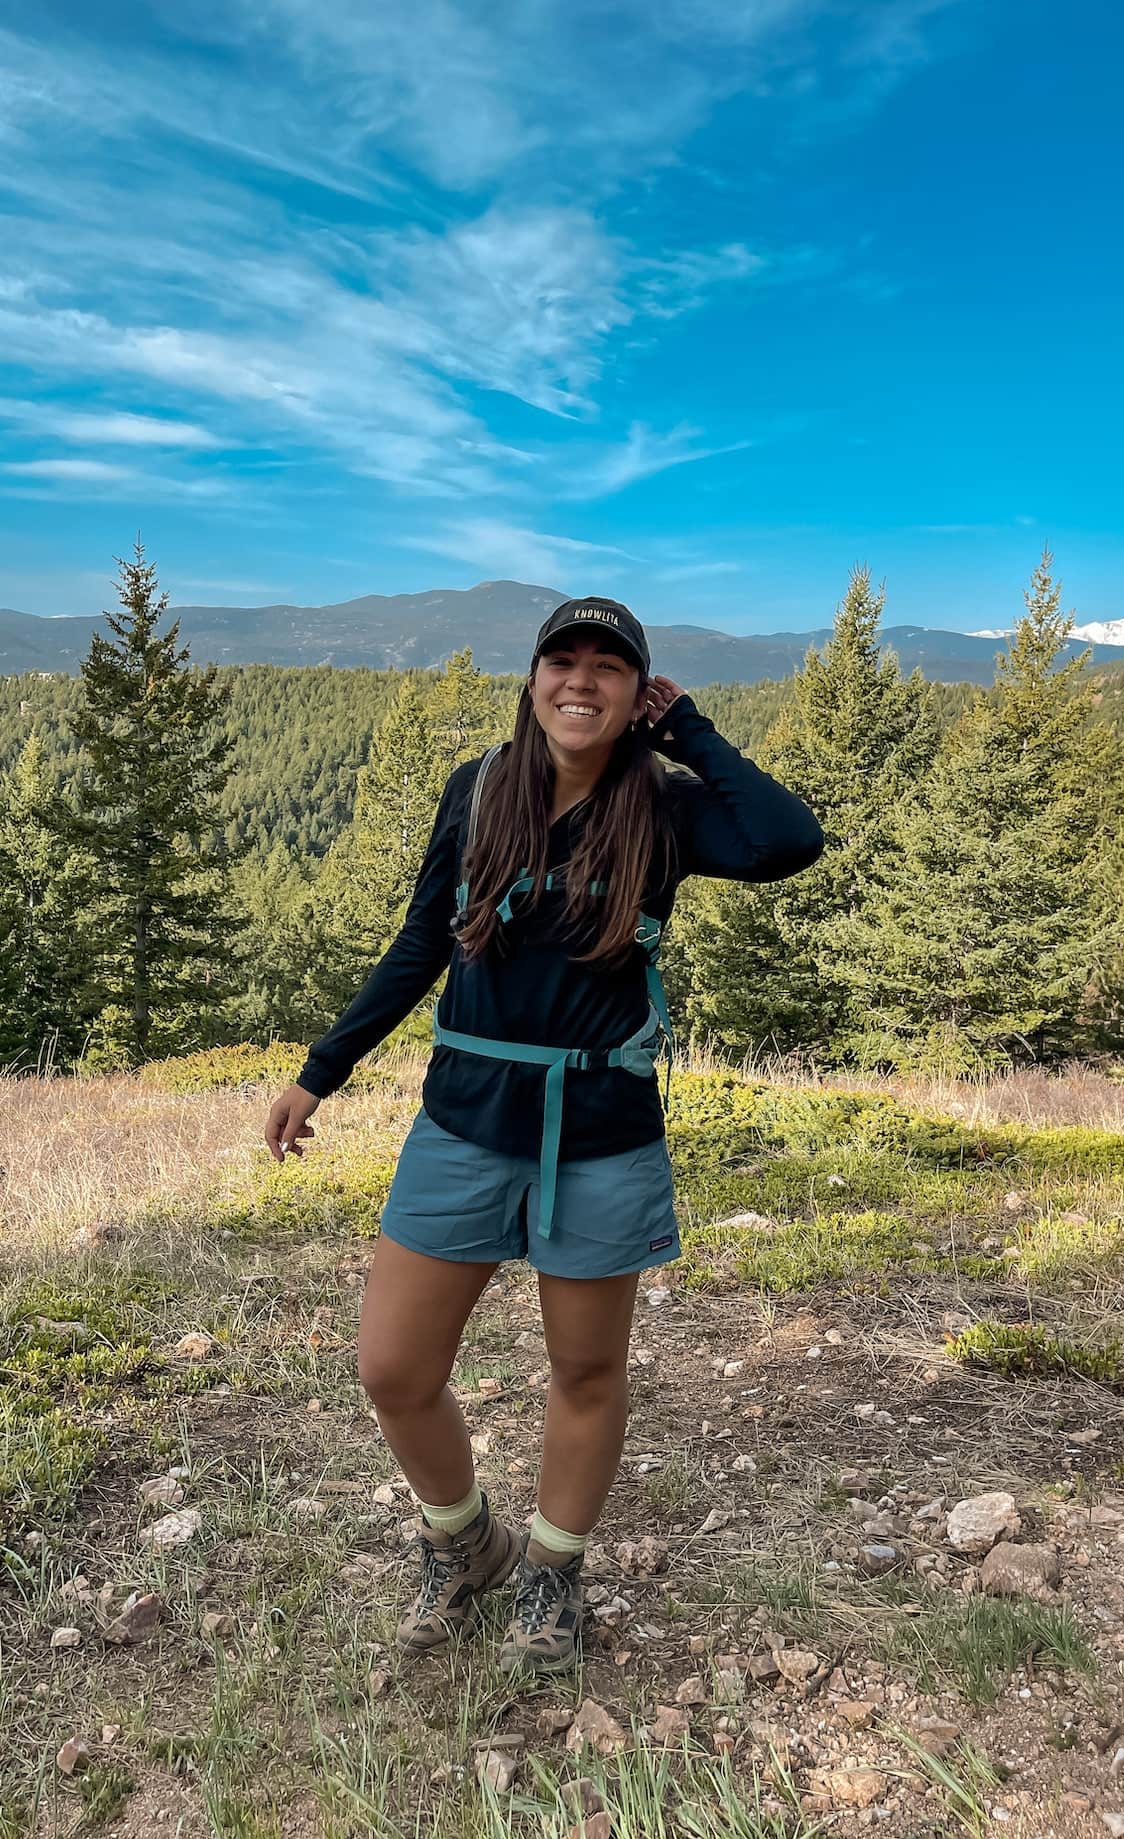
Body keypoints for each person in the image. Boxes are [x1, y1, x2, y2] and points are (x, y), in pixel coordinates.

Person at [264, 595, 823, 1674]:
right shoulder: (478, 790)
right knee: (393, 1366)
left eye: (610, 668)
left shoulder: (663, 807)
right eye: (562, 661)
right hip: (466, 1117)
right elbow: (423, 938)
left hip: (603, 1128)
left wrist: (689, 730)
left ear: (636, 693)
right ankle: (467, 1543)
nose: (582, 680)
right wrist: (320, 1071)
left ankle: (554, 1577)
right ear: (532, 681)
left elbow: (787, 839)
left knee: (585, 1370)